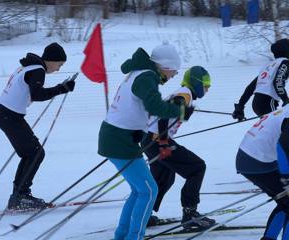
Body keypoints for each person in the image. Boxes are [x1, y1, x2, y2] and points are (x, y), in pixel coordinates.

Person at [98, 43, 187, 240]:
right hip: (118, 139)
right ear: (165, 66)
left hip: (119, 137)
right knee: (149, 190)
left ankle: (122, 236)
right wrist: (179, 111)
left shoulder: (140, 73)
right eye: (174, 71)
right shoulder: (147, 76)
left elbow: (144, 104)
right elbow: (154, 106)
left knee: (140, 190)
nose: (173, 75)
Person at [0, 42, 76, 210]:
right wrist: (61, 88)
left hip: (7, 115)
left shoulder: (29, 66)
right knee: (36, 153)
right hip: (9, 117)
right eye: (59, 64)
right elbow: (37, 95)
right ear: (52, 60)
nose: (58, 69)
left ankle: (19, 195)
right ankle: (20, 196)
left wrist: (60, 88)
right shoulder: (38, 69)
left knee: (31, 154)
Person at [141, 66, 215, 230]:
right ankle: (190, 214)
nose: (208, 88)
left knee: (164, 177)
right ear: (195, 82)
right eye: (205, 84)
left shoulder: (182, 93)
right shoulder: (184, 94)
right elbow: (165, 114)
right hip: (158, 141)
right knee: (197, 167)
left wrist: (181, 112)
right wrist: (164, 141)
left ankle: (143, 215)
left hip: (150, 141)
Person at [236, 106, 289, 240]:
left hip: (252, 156)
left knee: (285, 202)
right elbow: (283, 146)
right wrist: (287, 178)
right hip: (257, 160)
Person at [232, 38, 289, 121]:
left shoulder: (268, 66)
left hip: (257, 103)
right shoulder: (285, 63)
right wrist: (285, 100)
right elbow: (278, 81)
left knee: (274, 129)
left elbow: (250, 87)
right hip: (268, 102)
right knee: (278, 129)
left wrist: (240, 107)